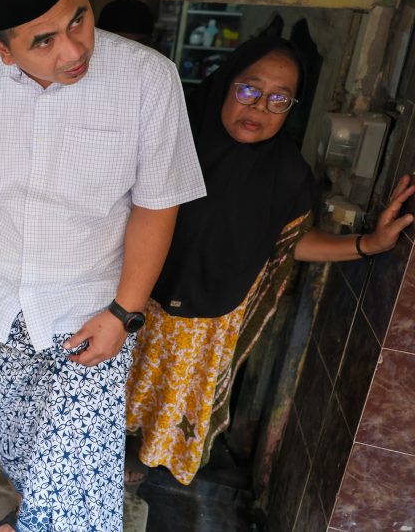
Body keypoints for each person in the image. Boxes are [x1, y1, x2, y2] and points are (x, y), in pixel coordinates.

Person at [0, 0, 207, 532]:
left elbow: (157, 206)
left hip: (90, 314)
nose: (74, 49)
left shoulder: (148, 80)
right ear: (1, 49)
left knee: (75, 484)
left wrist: (124, 312)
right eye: (43, 41)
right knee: (18, 446)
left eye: (79, 19)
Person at [124, 35, 415, 487]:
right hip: (130, 303)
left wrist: (369, 244)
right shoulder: (171, 139)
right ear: (224, 83)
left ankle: (131, 479)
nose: (259, 107)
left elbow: (292, 244)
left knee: (155, 426)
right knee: (100, 410)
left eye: (279, 99)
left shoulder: (289, 175)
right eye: (249, 89)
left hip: (204, 326)